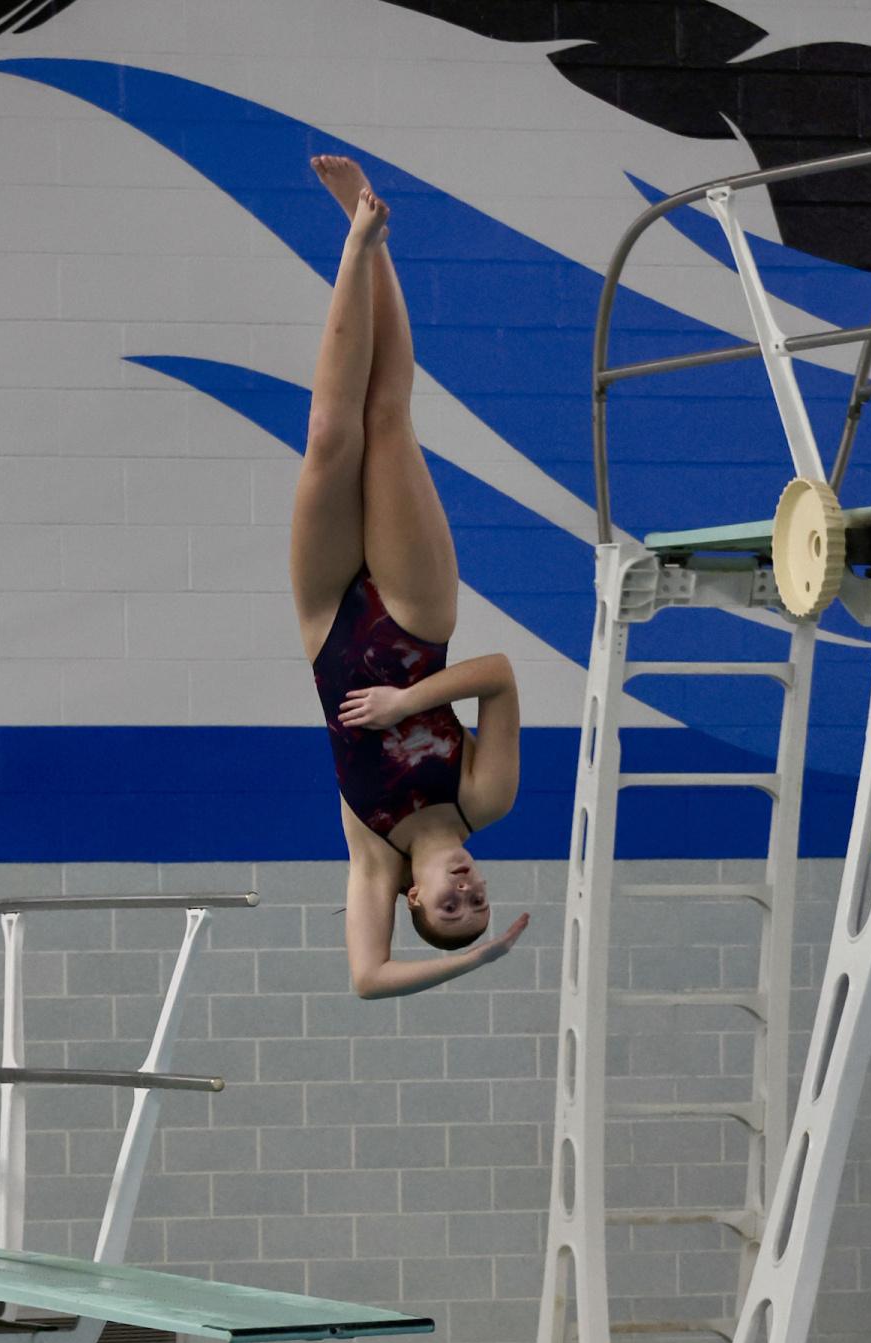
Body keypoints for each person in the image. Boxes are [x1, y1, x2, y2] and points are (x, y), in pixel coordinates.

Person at [293, 156, 529, 999]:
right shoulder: (484, 797)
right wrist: (405, 702)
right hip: (413, 617)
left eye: (451, 907)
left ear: (412, 898)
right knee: (385, 416)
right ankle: (367, 234)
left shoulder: (372, 854)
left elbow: (367, 976)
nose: (469, 890)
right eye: (479, 902)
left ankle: (359, 242)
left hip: (326, 626)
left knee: (328, 433)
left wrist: (473, 957)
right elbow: (499, 676)